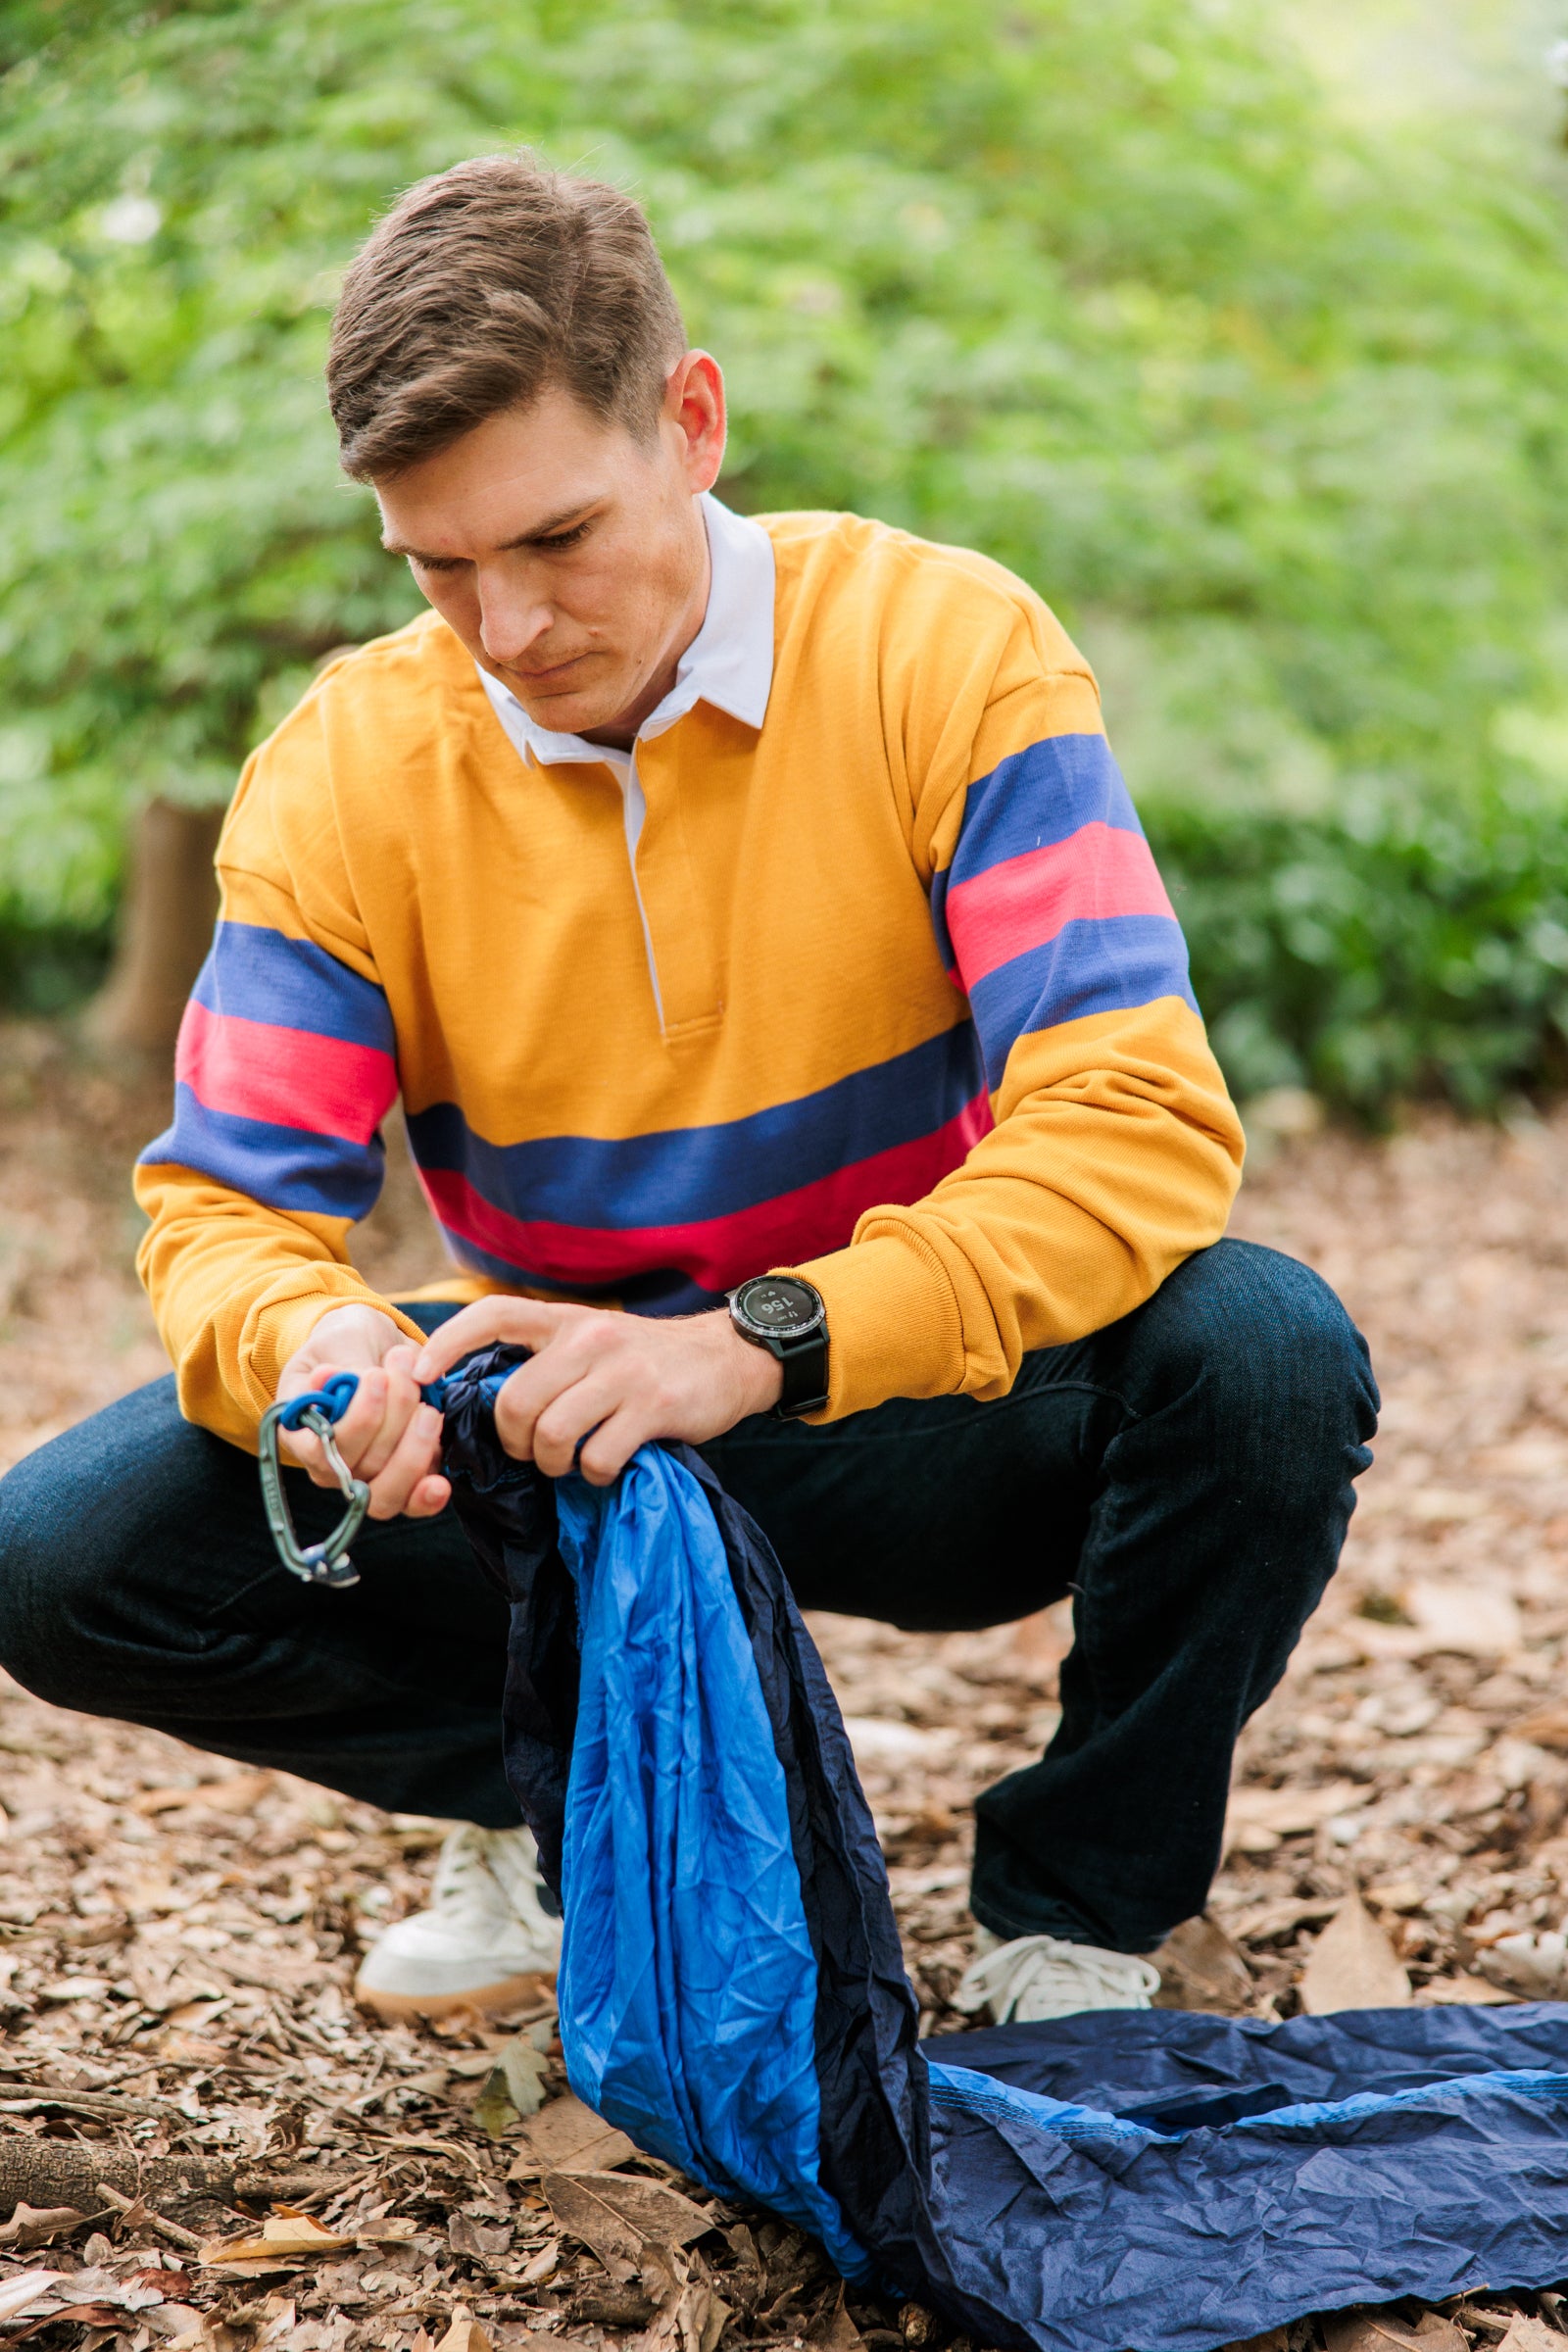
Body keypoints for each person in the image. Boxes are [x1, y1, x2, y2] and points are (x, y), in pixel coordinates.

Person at [0, 155, 1377, 2029]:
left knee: (1268, 1350)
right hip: (549, 1443)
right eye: (439, 566)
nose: (505, 629)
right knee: (57, 1560)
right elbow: (232, 1209)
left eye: (556, 539)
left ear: (693, 422)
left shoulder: (944, 650)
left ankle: (1075, 1909)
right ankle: (566, 1787)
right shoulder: (341, 771)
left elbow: (1130, 1123)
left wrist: (758, 1339)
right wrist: (321, 1357)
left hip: (909, 1401)